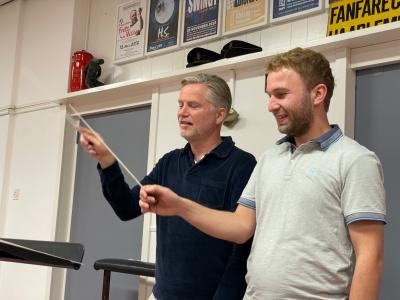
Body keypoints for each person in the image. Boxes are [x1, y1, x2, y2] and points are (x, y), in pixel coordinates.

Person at [140, 48, 386, 300]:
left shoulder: (355, 160)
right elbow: (240, 227)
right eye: (269, 96)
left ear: (318, 94)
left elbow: (370, 257)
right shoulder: (270, 158)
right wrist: (180, 206)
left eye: (281, 94)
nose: (271, 106)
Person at [79, 73, 257, 300]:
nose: (182, 113)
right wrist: (106, 160)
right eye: (180, 104)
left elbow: (241, 248)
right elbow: (127, 208)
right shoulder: (170, 162)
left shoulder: (242, 164)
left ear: (219, 114)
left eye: (193, 105)